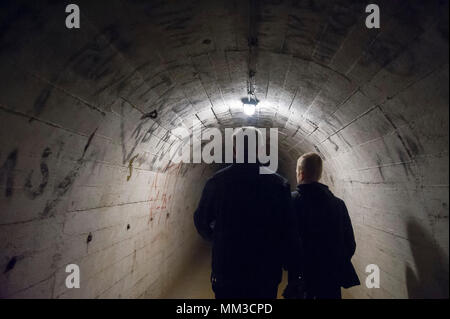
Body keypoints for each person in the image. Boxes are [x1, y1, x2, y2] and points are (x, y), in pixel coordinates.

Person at [194, 127, 302, 299]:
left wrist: (220, 239)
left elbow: (201, 222)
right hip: (266, 271)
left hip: (227, 269)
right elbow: (289, 232)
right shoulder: (278, 184)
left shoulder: (217, 182)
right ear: (260, 149)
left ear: (235, 149)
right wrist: (294, 275)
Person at [290, 152, 360, 299]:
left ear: (300, 174)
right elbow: (350, 244)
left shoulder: (290, 202)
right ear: (319, 174)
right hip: (330, 278)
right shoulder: (338, 204)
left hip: (301, 278)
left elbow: (283, 240)